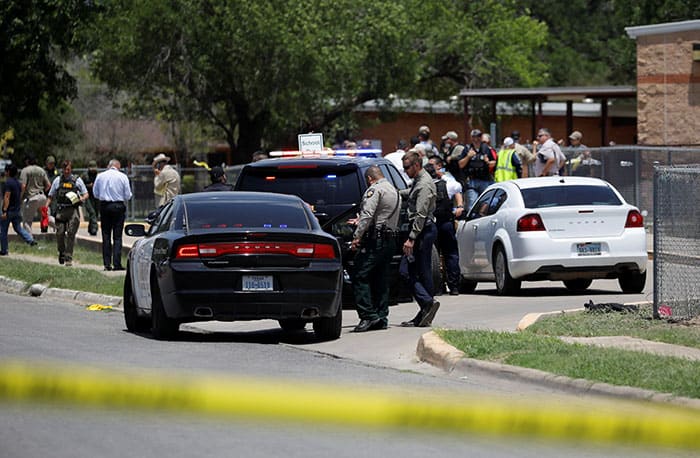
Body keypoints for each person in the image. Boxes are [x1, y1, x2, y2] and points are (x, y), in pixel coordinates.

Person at [349, 166, 400, 332]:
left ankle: (368, 316)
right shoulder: (394, 190)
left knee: (359, 274)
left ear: (370, 179)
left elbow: (367, 215)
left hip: (376, 240)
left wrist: (357, 236)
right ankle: (381, 317)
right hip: (390, 239)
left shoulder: (374, 190)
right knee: (381, 279)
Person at [399, 150, 440, 328]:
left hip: (423, 231)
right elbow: (411, 192)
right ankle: (425, 310)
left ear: (417, 165)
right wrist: (397, 193)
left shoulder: (424, 184)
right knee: (421, 272)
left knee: (406, 270)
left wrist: (412, 238)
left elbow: (421, 214)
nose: (405, 170)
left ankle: (427, 303)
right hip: (423, 230)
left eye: (407, 167)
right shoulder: (418, 182)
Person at [425, 160, 463, 296]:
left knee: (433, 256)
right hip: (446, 223)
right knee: (451, 254)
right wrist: (460, 206)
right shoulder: (449, 185)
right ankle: (454, 286)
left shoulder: (424, 187)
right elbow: (458, 193)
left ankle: (438, 287)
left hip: (431, 225)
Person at [45, 160, 89, 266]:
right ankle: (62, 252)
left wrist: (81, 199)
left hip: (72, 210)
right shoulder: (58, 180)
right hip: (61, 210)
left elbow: (86, 194)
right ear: (62, 169)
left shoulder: (77, 180)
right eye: (64, 169)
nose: (66, 171)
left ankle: (68, 258)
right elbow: (51, 195)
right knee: (59, 233)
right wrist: (45, 207)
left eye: (68, 169)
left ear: (71, 169)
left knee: (71, 233)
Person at [93, 159, 132, 271]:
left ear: (108, 166)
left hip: (105, 206)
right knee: (117, 237)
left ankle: (107, 264)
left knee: (106, 235)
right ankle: (117, 263)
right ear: (118, 166)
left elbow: (95, 194)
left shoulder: (100, 176)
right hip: (118, 207)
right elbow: (128, 195)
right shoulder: (123, 176)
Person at [1, 164, 38, 256]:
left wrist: (5, 210)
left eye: (6, 171)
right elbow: (20, 194)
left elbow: (7, 196)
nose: (5, 173)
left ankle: (4, 250)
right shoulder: (18, 183)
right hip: (17, 210)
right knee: (18, 228)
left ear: (8, 172)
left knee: (3, 230)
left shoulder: (8, 183)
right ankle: (30, 240)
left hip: (9, 211)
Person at [459, 129, 497, 211]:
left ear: (481, 137)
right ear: (471, 138)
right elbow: (461, 165)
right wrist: (468, 156)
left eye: (478, 137)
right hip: (472, 181)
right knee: (471, 205)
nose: (476, 139)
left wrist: (488, 161)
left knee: (487, 203)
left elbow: (494, 163)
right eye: (474, 137)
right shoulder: (467, 149)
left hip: (485, 180)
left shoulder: (486, 148)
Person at [19, 154, 51, 234]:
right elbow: (48, 185)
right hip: (42, 197)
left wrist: (20, 198)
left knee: (27, 221)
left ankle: (30, 241)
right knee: (46, 217)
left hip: (31, 198)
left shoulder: (25, 170)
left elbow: (23, 186)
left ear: (27, 161)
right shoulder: (41, 170)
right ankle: (60, 228)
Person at [80, 160, 100, 235]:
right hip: (87, 196)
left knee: (96, 213)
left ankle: (91, 228)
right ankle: (94, 228)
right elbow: (80, 186)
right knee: (92, 212)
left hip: (96, 197)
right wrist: (88, 186)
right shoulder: (85, 176)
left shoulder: (98, 176)